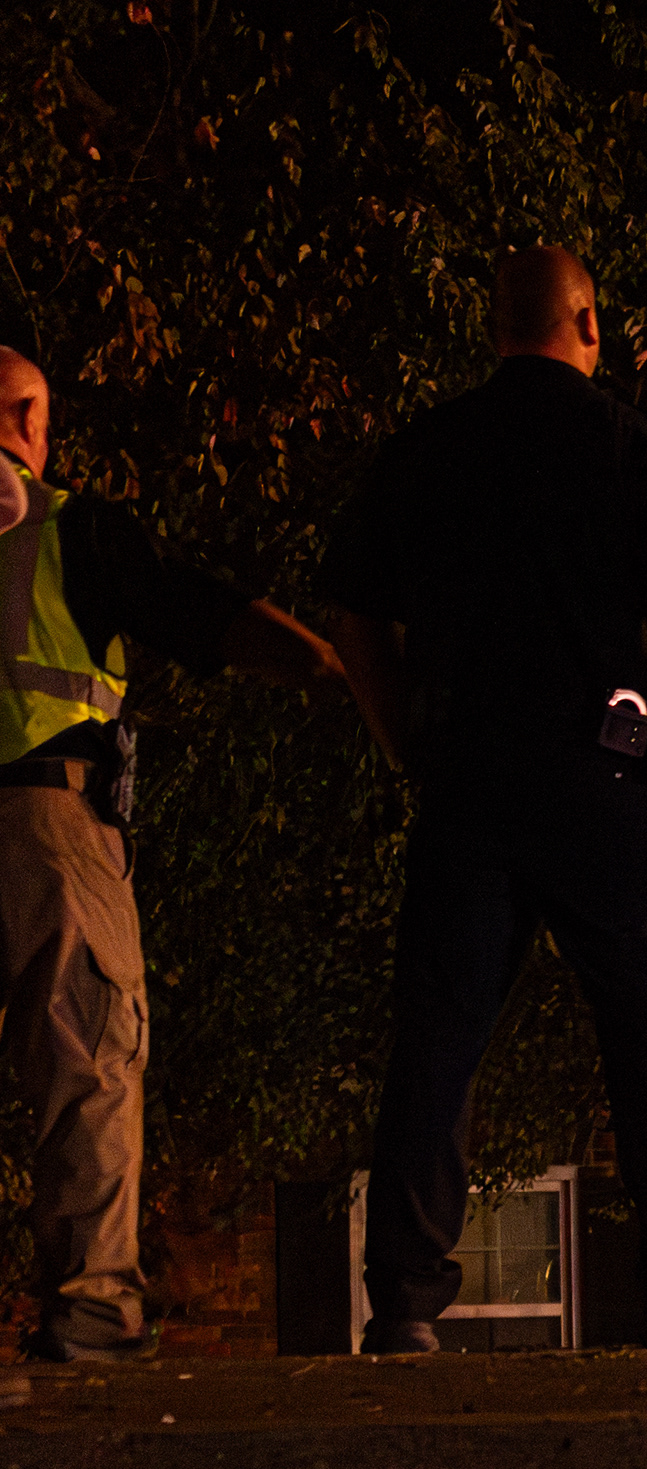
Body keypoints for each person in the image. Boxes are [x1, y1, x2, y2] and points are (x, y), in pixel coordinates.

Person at [322, 246, 647, 1354]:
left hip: (470, 786)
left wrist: (409, 749)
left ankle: (403, 1301)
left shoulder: (425, 449)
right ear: (589, 322)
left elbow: (354, 622)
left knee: (439, 1038)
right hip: (610, 782)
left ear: (495, 327)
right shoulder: (635, 443)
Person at [0, 346, 350, 1360]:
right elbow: (201, 611)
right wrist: (333, 670)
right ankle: (92, 1310)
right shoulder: (74, 531)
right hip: (48, 829)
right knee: (90, 1061)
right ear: (26, 423)